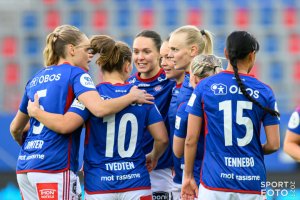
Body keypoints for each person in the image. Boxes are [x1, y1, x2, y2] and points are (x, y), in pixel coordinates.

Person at [9, 25, 153, 200]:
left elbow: (15, 129)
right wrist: (130, 97)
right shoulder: (77, 74)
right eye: (87, 49)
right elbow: (98, 109)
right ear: (71, 49)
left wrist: (33, 149)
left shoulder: (35, 78)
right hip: (54, 166)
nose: (90, 55)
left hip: (25, 167)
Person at [182, 31, 280, 200]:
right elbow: (273, 145)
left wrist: (188, 177)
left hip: (214, 183)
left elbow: (191, 139)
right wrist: (250, 150)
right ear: (252, 56)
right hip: (252, 184)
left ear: (226, 54)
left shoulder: (205, 86)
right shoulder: (265, 92)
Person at [128, 30, 176, 199]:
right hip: (133, 170)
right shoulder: (128, 86)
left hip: (163, 169)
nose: (140, 57)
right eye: (136, 52)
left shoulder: (172, 82)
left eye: (146, 52)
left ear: (159, 54)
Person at [173, 54, 223, 191]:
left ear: (193, 78)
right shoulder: (228, 106)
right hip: (226, 175)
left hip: (197, 178)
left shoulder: (184, 109)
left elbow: (178, 151)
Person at [160, 37, 185, 200]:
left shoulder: (193, 89)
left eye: (168, 57)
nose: (162, 63)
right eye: (161, 58)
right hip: (178, 177)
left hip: (194, 178)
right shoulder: (174, 88)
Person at [168, 25, 214, 107]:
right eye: (170, 49)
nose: (169, 55)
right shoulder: (188, 78)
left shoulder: (204, 82)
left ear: (192, 50)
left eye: (175, 49)